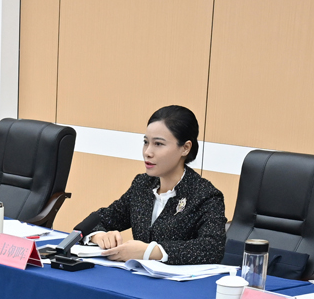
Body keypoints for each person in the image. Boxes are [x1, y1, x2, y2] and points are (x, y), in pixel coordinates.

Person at [70, 105, 227, 265]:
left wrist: (151, 252)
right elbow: (97, 221)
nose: (147, 152)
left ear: (185, 148)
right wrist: (99, 236)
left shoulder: (205, 195)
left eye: (158, 144)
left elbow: (212, 248)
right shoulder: (142, 185)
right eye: (146, 142)